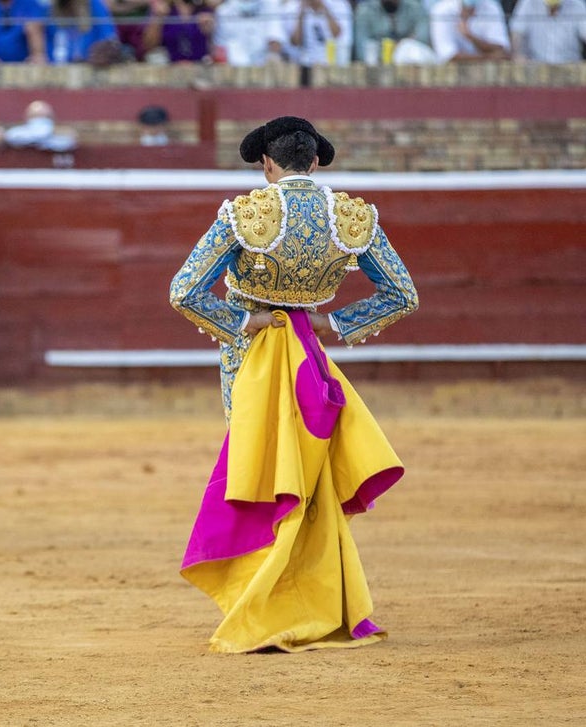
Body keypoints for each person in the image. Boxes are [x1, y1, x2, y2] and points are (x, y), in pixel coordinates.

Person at [169, 116, 418, 653]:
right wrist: (335, 323)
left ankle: (264, 601)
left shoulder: (247, 213)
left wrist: (245, 323)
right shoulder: (351, 216)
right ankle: (320, 601)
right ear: (316, 162)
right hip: (308, 351)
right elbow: (403, 294)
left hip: (252, 355)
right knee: (309, 475)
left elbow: (184, 290)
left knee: (259, 471)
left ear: (267, 164)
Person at [211, 0, 288, 66]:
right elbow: (220, 45)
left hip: (264, 67)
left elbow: (275, 35)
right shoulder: (224, 10)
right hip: (233, 69)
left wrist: (273, 56)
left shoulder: (270, 4)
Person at [352, 0, 431, 64]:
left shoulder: (414, 7)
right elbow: (361, 48)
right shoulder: (365, 10)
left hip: (408, 61)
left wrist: (401, 45)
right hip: (376, 63)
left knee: (412, 50)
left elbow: (423, 37)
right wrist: (387, 49)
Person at [429, 0, 510, 62]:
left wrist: (471, 37)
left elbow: (501, 50)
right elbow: (448, 57)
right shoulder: (442, 10)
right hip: (451, 79)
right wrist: (489, 58)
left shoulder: (491, 6)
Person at [509, 0, 586, 64]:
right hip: (535, 69)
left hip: (570, 69)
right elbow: (516, 34)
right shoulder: (527, 3)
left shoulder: (577, 4)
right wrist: (519, 56)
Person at [142, 0, 217, 64]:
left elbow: (216, 52)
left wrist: (210, 34)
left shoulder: (206, 9)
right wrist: (158, 18)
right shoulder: (163, 8)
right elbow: (148, 46)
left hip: (200, 68)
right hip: (169, 69)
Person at [280, 0, 353, 66]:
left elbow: (338, 35)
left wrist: (324, 8)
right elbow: (295, 42)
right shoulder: (291, 7)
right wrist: (301, 12)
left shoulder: (339, 4)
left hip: (333, 63)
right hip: (304, 64)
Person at [45, 0, 119, 65]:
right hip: (57, 67)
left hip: (90, 67)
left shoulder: (94, 5)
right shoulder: (48, 9)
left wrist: (103, 52)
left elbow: (109, 38)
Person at [2, 99, 77, 152]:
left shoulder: (63, 136)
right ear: (28, 118)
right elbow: (11, 137)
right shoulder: (16, 133)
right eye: (35, 117)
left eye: (44, 117)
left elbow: (67, 143)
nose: (39, 122)